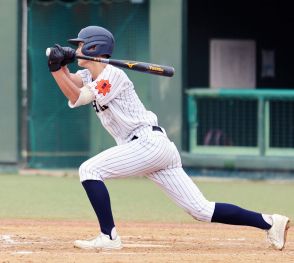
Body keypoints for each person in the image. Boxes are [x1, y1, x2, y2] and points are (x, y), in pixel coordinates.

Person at [47, 25, 290, 251]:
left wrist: (55, 69)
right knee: (201, 209)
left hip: (146, 143)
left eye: (80, 45)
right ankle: (270, 222)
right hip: (152, 148)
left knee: (89, 170)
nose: (77, 49)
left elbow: (78, 97)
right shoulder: (91, 75)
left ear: (93, 48)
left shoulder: (113, 75)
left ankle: (108, 236)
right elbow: (74, 83)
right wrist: (62, 66)